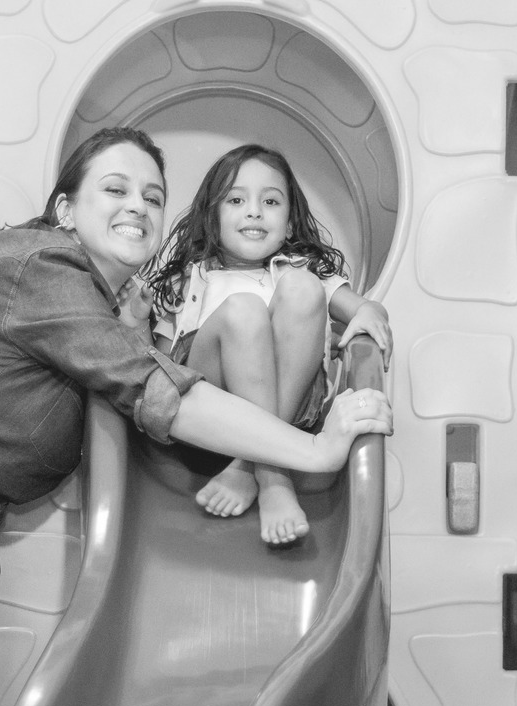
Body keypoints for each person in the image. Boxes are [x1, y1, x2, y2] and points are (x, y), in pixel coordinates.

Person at [0, 127, 392, 706]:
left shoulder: (92, 298)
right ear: (66, 209)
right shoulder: (40, 265)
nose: (138, 207)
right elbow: (157, 390)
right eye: (115, 189)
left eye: (153, 196)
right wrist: (316, 450)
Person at [145, 144, 392, 546]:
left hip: (294, 408)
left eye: (271, 201)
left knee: (303, 287)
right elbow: (161, 370)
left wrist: (366, 317)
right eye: (236, 200)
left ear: (290, 223)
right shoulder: (188, 279)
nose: (254, 212)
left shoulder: (305, 272)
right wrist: (135, 319)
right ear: (212, 218)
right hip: (211, 415)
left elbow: (367, 308)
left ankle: (251, 466)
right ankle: (274, 477)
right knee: (243, 309)